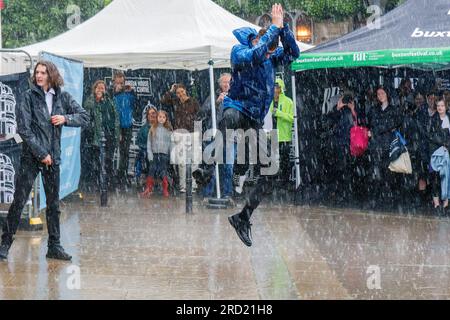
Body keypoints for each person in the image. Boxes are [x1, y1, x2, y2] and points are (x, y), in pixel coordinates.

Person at [193, 3, 300, 246]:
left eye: (273, 50)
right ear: (258, 41)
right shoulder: (239, 51)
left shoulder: (270, 58)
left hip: (254, 120)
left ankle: (243, 217)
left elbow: (293, 54)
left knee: (270, 171)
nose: (272, 54)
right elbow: (256, 55)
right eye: (269, 48)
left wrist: (283, 30)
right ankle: (206, 168)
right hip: (237, 108)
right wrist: (273, 28)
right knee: (228, 119)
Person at [0, 61, 89, 261]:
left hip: (53, 158)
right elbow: (24, 129)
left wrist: (65, 119)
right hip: (31, 158)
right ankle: (5, 244)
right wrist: (41, 154)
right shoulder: (28, 97)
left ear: (51, 75)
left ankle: (54, 246)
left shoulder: (62, 97)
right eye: (37, 72)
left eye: (43, 72)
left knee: (53, 205)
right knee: (19, 201)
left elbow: (85, 117)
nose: (39, 75)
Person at [199, 73, 234, 199]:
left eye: (229, 82)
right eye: (224, 82)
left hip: (229, 135)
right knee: (210, 166)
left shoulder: (236, 96)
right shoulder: (213, 96)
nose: (227, 84)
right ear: (219, 84)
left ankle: (227, 194)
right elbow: (203, 112)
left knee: (228, 167)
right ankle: (208, 194)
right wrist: (217, 102)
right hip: (213, 135)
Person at [367, 86, 403, 209]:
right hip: (376, 145)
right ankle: (377, 200)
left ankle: (387, 199)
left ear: (387, 94)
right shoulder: (374, 109)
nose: (380, 95)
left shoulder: (393, 109)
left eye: (382, 93)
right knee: (376, 173)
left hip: (388, 145)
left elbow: (391, 124)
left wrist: (376, 131)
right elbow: (372, 123)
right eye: (378, 94)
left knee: (388, 173)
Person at [161, 83, 200, 193]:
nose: (181, 94)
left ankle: (193, 184)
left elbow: (200, 116)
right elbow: (163, 100)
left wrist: (199, 132)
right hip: (180, 133)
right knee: (182, 162)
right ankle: (183, 185)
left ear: (186, 91)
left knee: (194, 160)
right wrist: (171, 90)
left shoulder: (193, 101)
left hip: (193, 133)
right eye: (178, 93)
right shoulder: (175, 101)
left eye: (182, 92)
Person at [83, 80, 120, 191]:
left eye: (102, 88)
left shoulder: (109, 100)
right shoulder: (91, 100)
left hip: (110, 134)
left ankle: (108, 184)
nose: (100, 90)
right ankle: (98, 183)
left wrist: (117, 134)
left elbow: (116, 117)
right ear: (94, 89)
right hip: (96, 135)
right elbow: (86, 108)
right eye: (98, 88)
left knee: (108, 160)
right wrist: (97, 100)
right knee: (98, 161)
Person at [268, 78, 294, 190]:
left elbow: (292, 118)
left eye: (277, 87)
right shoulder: (269, 100)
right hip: (271, 135)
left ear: (280, 88)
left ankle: (285, 183)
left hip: (284, 137)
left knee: (285, 161)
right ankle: (271, 184)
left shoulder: (288, 101)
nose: (275, 89)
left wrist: (279, 113)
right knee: (271, 161)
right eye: (273, 87)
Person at [112, 72, 136, 187]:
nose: (120, 85)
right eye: (118, 83)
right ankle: (112, 177)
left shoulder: (129, 94)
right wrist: (115, 92)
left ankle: (123, 176)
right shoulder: (110, 94)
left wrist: (132, 92)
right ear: (113, 82)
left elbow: (136, 105)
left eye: (122, 83)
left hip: (127, 126)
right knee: (111, 153)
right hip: (114, 127)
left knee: (124, 153)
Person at [429, 99, 450, 215]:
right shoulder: (432, 120)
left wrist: (447, 147)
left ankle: (446, 203)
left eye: (442, 105)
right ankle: (436, 204)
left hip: (448, 153)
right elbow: (430, 137)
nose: (440, 107)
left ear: (446, 106)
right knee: (435, 179)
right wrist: (442, 145)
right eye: (438, 106)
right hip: (435, 153)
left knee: (447, 177)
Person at [146, 110, 173, 197]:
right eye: (160, 117)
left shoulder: (168, 130)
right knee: (151, 170)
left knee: (163, 171)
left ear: (166, 119)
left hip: (164, 154)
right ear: (157, 118)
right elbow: (149, 143)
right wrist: (149, 154)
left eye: (163, 117)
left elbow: (171, 143)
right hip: (154, 154)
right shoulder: (152, 128)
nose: (161, 119)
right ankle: (148, 189)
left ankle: (165, 189)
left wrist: (170, 154)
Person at [137, 106, 158, 196]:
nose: (152, 115)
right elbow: (139, 142)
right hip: (147, 151)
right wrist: (147, 148)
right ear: (147, 116)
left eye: (153, 113)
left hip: (159, 152)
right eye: (150, 114)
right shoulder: (143, 129)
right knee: (145, 157)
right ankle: (148, 183)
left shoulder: (161, 127)